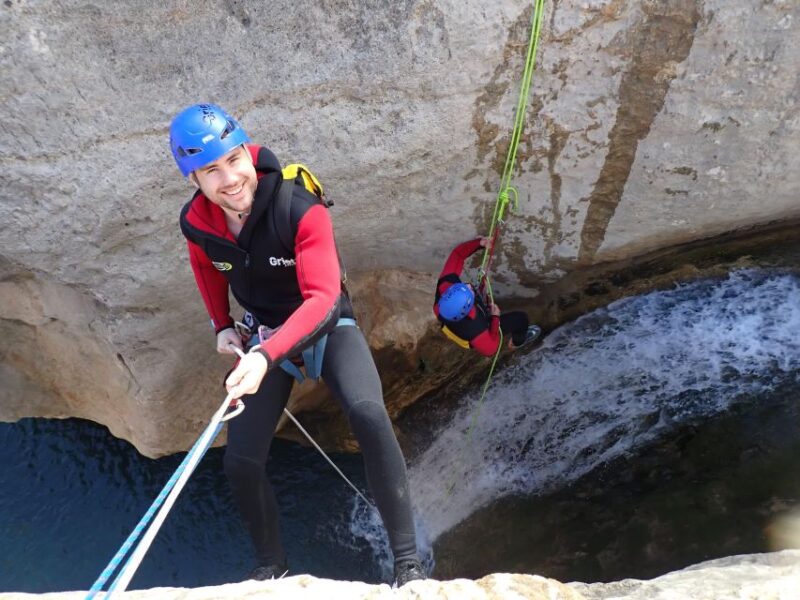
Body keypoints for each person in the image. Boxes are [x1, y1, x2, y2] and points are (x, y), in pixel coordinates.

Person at [170, 103, 425, 587]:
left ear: (248, 151)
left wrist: (265, 357)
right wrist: (221, 325)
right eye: (210, 170)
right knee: (240, 461)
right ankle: (272, 567)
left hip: (326, 328)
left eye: (233, 159)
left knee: (369, 416)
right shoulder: (198, 224)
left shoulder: (297, 208)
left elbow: (323, 299)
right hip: (264, 335)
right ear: (193, 180)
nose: (229, 179)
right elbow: (206, 267)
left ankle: (407, 562)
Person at [434, 237, 541, 355]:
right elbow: (491, 350)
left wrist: (479, 243)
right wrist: (495, 318)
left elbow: (458, 254)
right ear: (468, 309)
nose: (469, 286)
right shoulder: (476, 331)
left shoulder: (445, 287)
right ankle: (517, 342)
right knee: (520, 319)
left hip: (458, 324)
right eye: (469, 292)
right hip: (477, 331)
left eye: (463, 288)